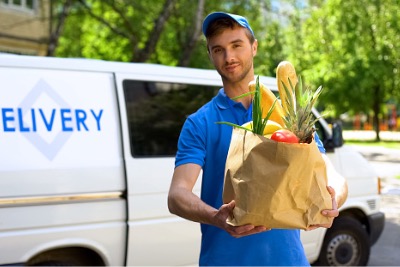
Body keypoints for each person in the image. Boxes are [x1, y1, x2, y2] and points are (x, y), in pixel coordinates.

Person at [168, 12, 348, 266]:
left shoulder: (288, 115)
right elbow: (177, 195)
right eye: (218, 49)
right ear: (210, 55)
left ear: (254, 47)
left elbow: (333, 176)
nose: (229, 57)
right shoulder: (200, 123)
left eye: (236, 45)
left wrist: (334, 199)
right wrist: (215, 217)